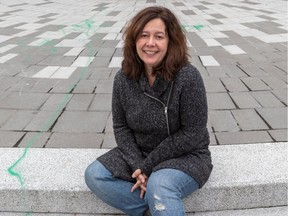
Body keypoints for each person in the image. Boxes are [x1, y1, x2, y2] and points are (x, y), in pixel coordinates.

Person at [85, 6, 213, 216]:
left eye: (159, 36)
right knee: (95, 174)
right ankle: (152, 207)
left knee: (160, 184)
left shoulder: (188, 77)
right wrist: (138, 164)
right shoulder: (123, 79)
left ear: (171, 41)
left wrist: (147, 168)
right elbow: (121, 127)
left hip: (186, 155)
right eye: (144, 35)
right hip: (141, 153)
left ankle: (158, 196)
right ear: (134, 40)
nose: (150, 43)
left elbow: (193, 134)